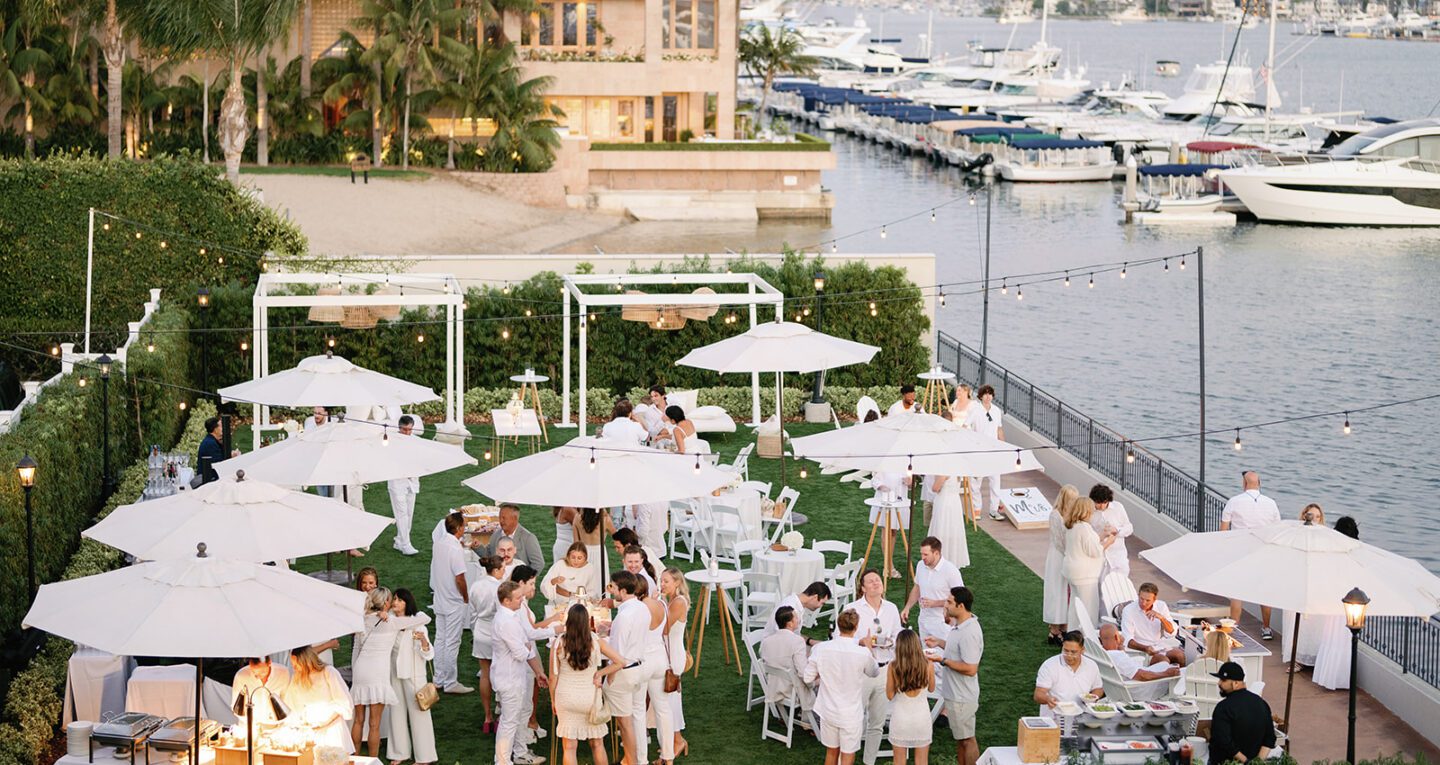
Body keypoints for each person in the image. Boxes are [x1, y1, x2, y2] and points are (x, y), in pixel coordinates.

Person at [351, 587, 430, 756]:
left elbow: (356, 649)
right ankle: (373, 760)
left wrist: (355, 670)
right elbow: (425, 618)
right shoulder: (392, 622)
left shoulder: (361, 620)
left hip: (359, 670)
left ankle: (355, 758)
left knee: (358, 720)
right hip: (377, 672)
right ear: (386, 603)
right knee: (374, 723)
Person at [550, 604, 627, 765]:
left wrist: (552, 700)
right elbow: (620, 662)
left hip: (566, 697)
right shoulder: (595, 640)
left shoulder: (558, 643)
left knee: (569, 747)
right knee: (597, 743)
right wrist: (600, 673)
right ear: (587, 621)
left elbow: (553, 677)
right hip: (589, 699)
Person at [492, 580, 558, 765]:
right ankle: (502, 761)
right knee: (509, 722)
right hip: (509, 679)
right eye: (518, 597)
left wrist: (538, 671)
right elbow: (521, 652)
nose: (522, 600)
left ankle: (520, 753)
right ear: (506, 601)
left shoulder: (512, 616)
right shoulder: (506, 622)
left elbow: (526, 645)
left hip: (516, 676)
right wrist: (527, 648)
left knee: (519, 716)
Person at [805, 609, 879, 765]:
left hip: (828, 710)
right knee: (847, 755)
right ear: (856, 627)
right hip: (850, 713)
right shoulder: (863, 653)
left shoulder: (821, 649)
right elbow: (874, 672)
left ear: (838, 625)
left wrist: (822, 673)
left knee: (831, 752)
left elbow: (807, 678)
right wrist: (869, 648)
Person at [845, 569, 903, 765]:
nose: (876, 583)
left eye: (878, 580)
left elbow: (898, 635)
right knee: (853, 719)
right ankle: (846, 759)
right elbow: (840, 638)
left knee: (877, 723)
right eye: (871, 581)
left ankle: (869, 762)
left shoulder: (892, 608)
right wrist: (861, 642)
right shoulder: (852, 609)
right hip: (860, 671)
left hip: (885, 669)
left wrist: (890, 642)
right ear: (862, 588)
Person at [1221, 471, 1282, 640]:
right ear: (1259, 483)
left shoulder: (1234, 501)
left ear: (1244, 483)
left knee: (1237, 592)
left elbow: (1223, 531)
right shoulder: (1271, 503)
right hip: (1262, 552)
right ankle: (1267, 628)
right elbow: (1276, 530)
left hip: (1239, 552)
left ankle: (1234, 626)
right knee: (1264, 591)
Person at [928, 587, 982, 765]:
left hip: (962, 696)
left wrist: (943, 661)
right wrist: (939, 642)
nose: (946, 605)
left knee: (967, 739)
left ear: (960, 606)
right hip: (955, 694)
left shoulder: (969, 633)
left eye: (950, 602)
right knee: (961, 739)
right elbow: (956, 651)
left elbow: (971, 668)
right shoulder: (960, 626)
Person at [603, 571, 651, 765]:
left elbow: (618, 654)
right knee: (630, 717)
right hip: (639, 667)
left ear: (622, 590)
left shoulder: (624, 616)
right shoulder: (642, 608)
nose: (611, 591)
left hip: (624, 671)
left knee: (624, 721)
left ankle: (629, 761)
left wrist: (608, 677)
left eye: (612, 587)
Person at [387, 588, 436, 765]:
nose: (396, 603)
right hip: (394, 672)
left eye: (400, 600)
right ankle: (399, 753)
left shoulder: (418, 623)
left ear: (407, 603)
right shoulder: (389, 621)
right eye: (394, 599)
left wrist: (423, 640)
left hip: (414, 674)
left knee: (419, 714)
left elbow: (429, 654)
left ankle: (425, 756)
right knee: (396, 712)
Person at [1311, 516, 1360, 689]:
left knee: (1330, 636)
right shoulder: (1356, 551)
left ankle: (1328, 675)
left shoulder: (1332, 552)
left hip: (1334, 598)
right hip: (1352, 600)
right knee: (1344, 638)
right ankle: (1340, 677)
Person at [635, 575, 677, 765]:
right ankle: (668, 757)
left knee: (638, 711)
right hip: (660, 659)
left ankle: (641, 759)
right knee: (663, 709)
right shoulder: (661, 604)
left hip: (643, 661)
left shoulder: (638, 609)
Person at [1281, 504, 1328, 667]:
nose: (1314, 519)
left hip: (1317, 583)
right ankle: (1296, 659)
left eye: (1317, 516)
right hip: (1298, 580)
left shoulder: (1326, 537)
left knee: (1314, 625)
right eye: (1311, 515)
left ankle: (1314, 658)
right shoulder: (1297, 534)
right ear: (1304, 516)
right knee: (1297, 622)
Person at [429, 512, 471, 694]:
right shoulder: (455, 550)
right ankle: (450, 682)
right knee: (452, 641)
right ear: (460, 528)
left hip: (440, 598)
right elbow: (460, 578)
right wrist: (466, 597)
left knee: (440, 638)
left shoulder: (439, 543)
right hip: (453, 601)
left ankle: (439, 679)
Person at [283, 645, 354, 753]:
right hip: (309, 732)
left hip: (331, 731)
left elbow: (344, 703)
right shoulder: (297, 677)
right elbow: (290, 704)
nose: (294, 668)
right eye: (293, 665)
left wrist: (325, 721)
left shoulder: (328, 672)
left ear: (306, 661)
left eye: (296, 664)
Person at [1209, 662, 1277, 764]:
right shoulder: (1261, 703)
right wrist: (1257, 762)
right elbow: (1270, 738)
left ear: (1236, 683)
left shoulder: (1223, 708)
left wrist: (1246, 761)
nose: (1219, 683)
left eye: (1223, 680)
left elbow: (1224, 742)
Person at [902, 538, 966, 646]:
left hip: (942, 622)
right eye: (921, 554)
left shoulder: (951, 571)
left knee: (942, 657)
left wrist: (934, 603)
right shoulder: (921, 565)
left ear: (936, 553)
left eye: (926, 555)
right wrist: (907, 607)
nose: (922, 558)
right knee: (926, 654)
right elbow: (917, 588)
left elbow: (960, 598)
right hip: (923, 619)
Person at [1063, 497, 1114, 631]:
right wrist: (1109, 542)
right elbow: (1095, 550)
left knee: (1075, 608)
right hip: (1085, 575)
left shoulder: (1072, 526)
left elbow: (1087, 543)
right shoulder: (1084, 528)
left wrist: (1102, 535)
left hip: (1072, 572)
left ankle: (1072, 636)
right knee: (1089, 610)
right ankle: (1086, 641)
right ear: (1086, 511)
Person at [886, 629, 935, 765]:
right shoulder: (928, 665)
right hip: (922, 720)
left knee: (899, 762)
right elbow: (931, 688)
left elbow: (890, 695)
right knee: (921, 762)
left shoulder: (893, 666)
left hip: (900, 720)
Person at [470, 556, 505, 732]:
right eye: (503, 569)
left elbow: (472, 611)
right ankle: (500, 713)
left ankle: (487, 716)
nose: (505, 571)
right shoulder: (500, 588)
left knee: (485, 674)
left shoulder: (476, 585)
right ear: (496, 570)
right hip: (495, 631)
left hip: (480, 630)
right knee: (500, 672)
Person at [1033, 631, 1104, 719]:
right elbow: (1038, 694)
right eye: (1065, 650)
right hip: (1054, 718)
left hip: (1081, 716)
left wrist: (1093, 698)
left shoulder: (1091, 665)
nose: (1069, 655)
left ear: (1082, 650)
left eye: (1073, 652)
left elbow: (1098, 689)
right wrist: (1048, 699)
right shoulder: (1049, 665)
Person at [1098, 623, 1179, 699]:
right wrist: (1167, 674)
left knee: (1163, 660)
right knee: (1181, 672)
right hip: (1142, 690)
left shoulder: (1102, 653)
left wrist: (1120, 646)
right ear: (1116, 637)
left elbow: (1123, 665)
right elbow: (1142, 676)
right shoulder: (1118, 657)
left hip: (1126, 687)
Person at [761, 606, 814, 719]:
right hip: (792, 690)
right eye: (796, 617)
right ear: (789, 623)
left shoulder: (766, 641)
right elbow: (803, 673)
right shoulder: (797, 641)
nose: (798, 620)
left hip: (773, 687)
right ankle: (810, 720)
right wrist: (813, 682)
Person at [964, 385, 1008, 520]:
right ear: (981, 396)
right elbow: (966, 426)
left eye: (990, 394)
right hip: (979, 451)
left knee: (995, 481)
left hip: (994, 451)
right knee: (976, 481)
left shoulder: (996, 411)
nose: (988, 396)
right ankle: (977, 509)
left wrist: (1004, 446)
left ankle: (994, 510)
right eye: (985, 394)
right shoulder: (975, 410)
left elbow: (999, 429)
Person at [659, 567, 690, 758]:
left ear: (677, 583)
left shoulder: (678, 602)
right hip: (669, 652)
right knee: (669, 700)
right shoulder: (670, 600)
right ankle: (673, 740)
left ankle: (677, 740)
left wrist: (655, 604)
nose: (662, 584)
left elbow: (663, 629)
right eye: (661, 581)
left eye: (666, 581)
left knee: (671, 700)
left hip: (673, 656)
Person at [1043, 485, 1080, 644]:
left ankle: (1064, 626)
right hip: (1058, 557)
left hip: (1067, 556)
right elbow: (1059, 541)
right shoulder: (1055, 515)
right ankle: (1054, 629)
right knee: (1057, 591)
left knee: (1067, 592)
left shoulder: (1071, 515)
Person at [382, 415, 421, 555]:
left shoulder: (417, 441)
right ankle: (406, 544)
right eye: (404, 430)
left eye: (409, 430)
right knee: (402, 514)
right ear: (399, 428)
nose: (407, 433)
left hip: (412, 482)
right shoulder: (390, 441)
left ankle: (399, 540)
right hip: (397, 482)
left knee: (409, 513)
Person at [1120, 583, 1186, 666]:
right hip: (1139, 649)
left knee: (1180, 656)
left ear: (1154, 599)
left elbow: (1171, 632)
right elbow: (1127, 640)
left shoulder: (1161, 606)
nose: (1143, 603)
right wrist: (1146, 648)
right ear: (1138, 595)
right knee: (1163, 661)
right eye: (1141, 599)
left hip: (1158, 646)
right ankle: (1167, 677)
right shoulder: (1129, 610)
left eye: (1148, 600)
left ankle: (1181, 678)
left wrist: (1161, 618)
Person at [479, 503, 546, 573]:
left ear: (515, 519)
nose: (501, 521)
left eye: (504, 518)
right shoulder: (495, 535)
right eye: (500, 518)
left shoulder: (528, 538)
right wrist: (478, 547)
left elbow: (538, 564)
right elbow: (488, 556)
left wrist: (525, 579)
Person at [231, 657, 291, 730]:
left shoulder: (282, 673)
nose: (258, 677)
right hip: (249, 727)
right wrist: (251, 723)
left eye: (262, 672)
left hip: (274, 726)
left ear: (269, 663)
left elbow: (287, 701)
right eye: (254, 673)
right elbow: (236, 706)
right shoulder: (241, 676)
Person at [926, 475, 971, 570]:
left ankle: (939, 560)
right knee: (952, 530)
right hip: (955, 503)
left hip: (944, 503)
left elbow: (935, 488)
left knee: (941, 529)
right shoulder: (957, 468)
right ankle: (952, 559)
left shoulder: (944, 471)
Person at [1088, 484, 1132, 580]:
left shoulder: (1118, 507)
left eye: (1104, 503)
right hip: (1099, 559)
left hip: (1118, 557)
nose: (1102, 506)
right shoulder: (1089, 511)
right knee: (1101, 591)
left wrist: (1117, 530)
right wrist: (1102, 535)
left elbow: (1129, 528)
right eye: (1098, 503)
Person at [541, 543, 600, 612]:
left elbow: (592, 590)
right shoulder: (560, 565)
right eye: (573, 557)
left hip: (578, 605)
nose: (576, 561)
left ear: (585, 557)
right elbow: (545, 584)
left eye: (579, 558)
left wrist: (577, 596)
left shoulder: (589, 568)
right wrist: (554, 581)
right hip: (559, 602)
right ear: (568, 556)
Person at [765, 582, 832, 639]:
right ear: (815, 597)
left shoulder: (796, 604)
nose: (820, 607)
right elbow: (783, 639)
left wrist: (810, 641)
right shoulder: (791, 609)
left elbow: (794, 636)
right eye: (822, 603)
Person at [573, 508, 617, 586]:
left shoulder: (577, 518)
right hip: (599, 553)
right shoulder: (605, 519)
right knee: (600, 581)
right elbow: (616, 536)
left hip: (583, 552)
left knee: (584, 581)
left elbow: (576, 542)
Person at [197, 417, 224, 485]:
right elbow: (218, 462)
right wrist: (231, 456)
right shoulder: (210, 443)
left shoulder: (211, 441)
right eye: (221, 426)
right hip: (209, 482)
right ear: (215, 429)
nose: (223, 428)